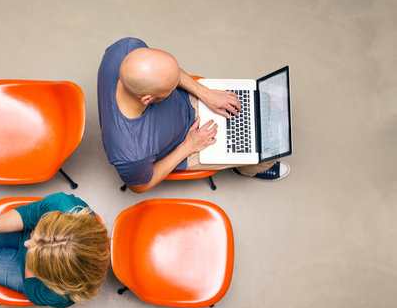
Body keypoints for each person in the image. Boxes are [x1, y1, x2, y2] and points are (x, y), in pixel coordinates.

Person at [97, 37, 290, 193]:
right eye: (170, 89)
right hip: (188, 140)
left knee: (258, 106)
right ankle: (249, 168)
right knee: (266, 148)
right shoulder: (131, 152)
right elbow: (139, 186)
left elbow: (167, 70)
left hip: (190, 104)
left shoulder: (125, 48)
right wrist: (188, 147)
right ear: (146, 99)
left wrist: (205, 93)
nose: (176, 86)